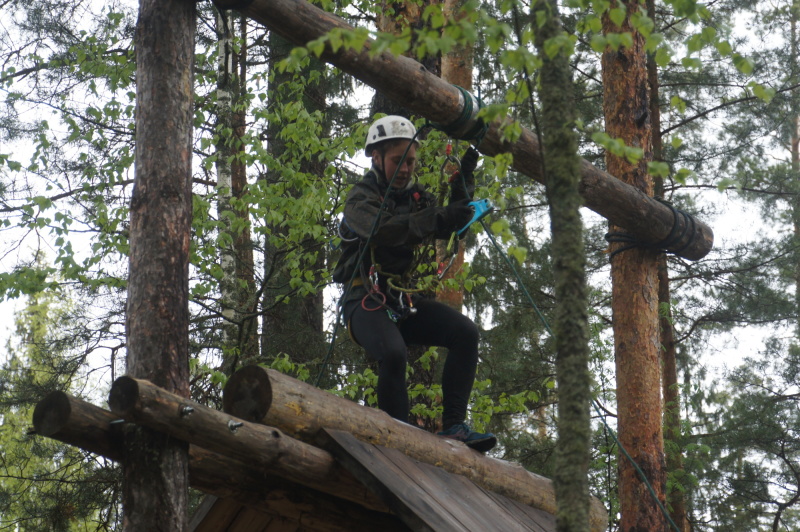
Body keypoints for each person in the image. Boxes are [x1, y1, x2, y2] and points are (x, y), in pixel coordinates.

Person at [333, 115, 496, 453]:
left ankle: (454, 426)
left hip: (399, 303)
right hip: (363, 299)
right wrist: (439, 218)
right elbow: (386, 230)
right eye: (398, 161)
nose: (406, 169)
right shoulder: (360, 200)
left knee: (464, 334)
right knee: (393, 354)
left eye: (410, 161)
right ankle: (399, 440)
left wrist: (464, 177)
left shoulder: (416, 198)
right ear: (376, 157)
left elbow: (448, 223)